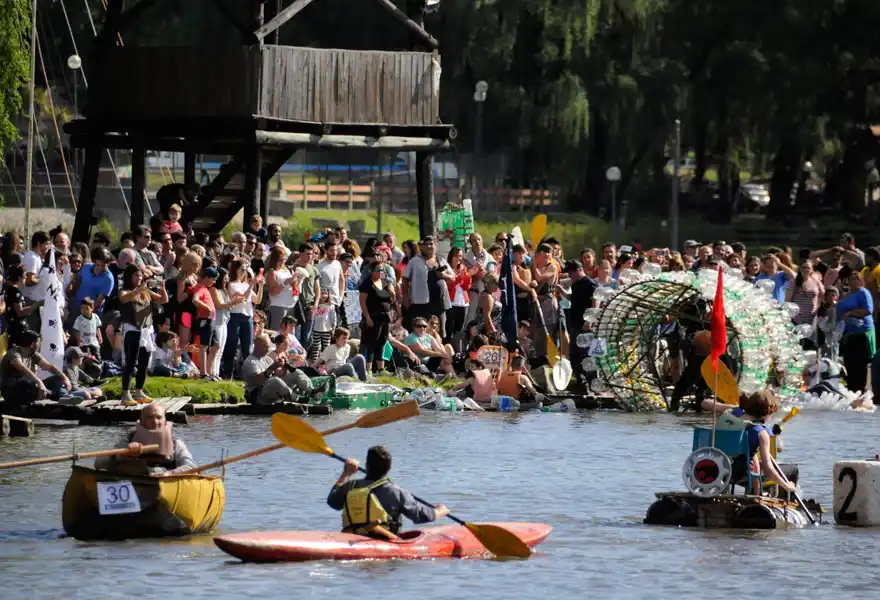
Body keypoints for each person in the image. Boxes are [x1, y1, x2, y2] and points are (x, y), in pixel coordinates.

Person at [327, 445, 449, 538]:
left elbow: (332, 502)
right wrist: (440, 511)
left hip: (352, 538)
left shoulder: (350, 486)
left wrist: (346, 473)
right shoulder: (396, 491)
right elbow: (420, 516)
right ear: (389, 468)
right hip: (384, 541)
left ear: (366, 465)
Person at [700, 390, 798, 495]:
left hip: (714, 468)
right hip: (741, 475)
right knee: (793, 469)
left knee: (753, 459)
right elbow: (769, 469)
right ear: (768, 412)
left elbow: (704, 403)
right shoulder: (761, 432)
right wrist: (786, 485)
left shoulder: (731, 414)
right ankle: (780, 499)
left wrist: (736, 407)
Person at [95, 403, 197, 476]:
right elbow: (99, 463)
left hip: (163, 481)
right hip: (135, 480)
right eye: (150, 417)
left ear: (165, 421)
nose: (155, 422)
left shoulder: (176, 443)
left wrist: (169, 473)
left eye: (159, 417)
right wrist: (125, 452)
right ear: (142, 421)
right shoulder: (129, 439)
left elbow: (191, 467)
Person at [118, 264, 169, 406]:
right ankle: (125, 393)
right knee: (131, 362)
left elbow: (163, 300)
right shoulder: (125, 291)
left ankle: (139, 390)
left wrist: (163, 288)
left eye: (140, 275)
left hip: (146, 330)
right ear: (129, 276)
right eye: (136, 275)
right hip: (132, 329)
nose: (139, 278)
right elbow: (123, 299)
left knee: (144, 362)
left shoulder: (146, 292)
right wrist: (138, 290)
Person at [0, 330, 72, 403]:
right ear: (32, 344)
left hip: (31, 386)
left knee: (57, 378)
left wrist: (64, 377)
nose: (40, 344)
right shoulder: (13, 353)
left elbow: (49, 367)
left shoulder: (34, 354)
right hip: (12, 390)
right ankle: (51, 395)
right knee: (28, 382)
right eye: (39, 342)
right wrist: (39, 382)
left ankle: (63, 397)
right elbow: (23, 369)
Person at [242, 334, 314, 405]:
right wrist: (272, 367)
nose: (268, 350)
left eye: (269, 347)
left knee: (295, 373)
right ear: (257, 347)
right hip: (258, 395)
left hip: (269, 389)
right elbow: (259, 381)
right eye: (265, 347)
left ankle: (311, 391)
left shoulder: (266, 358)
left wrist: (284, 367)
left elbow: (279, 374)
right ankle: (297, 399)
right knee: (274, 381)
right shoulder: (250, 362)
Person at [837, 271, 875, 393]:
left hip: (862, 332)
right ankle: (851, 387)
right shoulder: (848, 294)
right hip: (849, 332)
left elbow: (868, 310)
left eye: (857, 279)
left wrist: (852, 313)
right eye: (852, 279)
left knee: (860, 362)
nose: (855, 281)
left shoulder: (863, 292)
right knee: (849, 362)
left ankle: (860, 389)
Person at [359, 261, 396, 374]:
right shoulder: (367, 283)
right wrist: (367, 317)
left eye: (383, 270)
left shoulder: (385, 282)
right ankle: (368, 369)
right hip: (373, 315)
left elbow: (393, 297)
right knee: (371, 342)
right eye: (378, 270)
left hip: (385, 316)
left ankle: (381, 368)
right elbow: (362, 301)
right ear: (372, 271)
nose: (381, 272)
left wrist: (388, 286)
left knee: (382, 341)